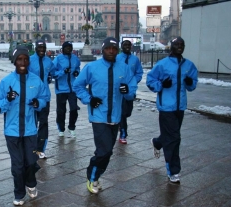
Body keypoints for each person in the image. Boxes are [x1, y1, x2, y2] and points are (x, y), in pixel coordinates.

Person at [73, 37, 137, 194]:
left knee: (107, 151)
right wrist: (89, 99)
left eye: (114, 49)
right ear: (103, 50)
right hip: (98, 116)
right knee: (104, 150)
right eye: (108, 48)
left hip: (115, 116)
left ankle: (96, 174)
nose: (111, 51)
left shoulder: (124, 68)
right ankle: (92, 177)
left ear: (117, 51)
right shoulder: (92, 67)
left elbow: (132, 89)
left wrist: (127, 91)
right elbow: (78, 85)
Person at [0, 47, 49, 206]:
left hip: (30, 130)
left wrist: (39, 103)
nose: (22, 62)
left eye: (25, 59)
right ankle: (19, 192)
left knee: (31, 161)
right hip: (12, 132)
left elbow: (45, 98)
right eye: (19, 59)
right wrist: (7, 100)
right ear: (14, 61)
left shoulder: (36, 81)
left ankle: (31, 182)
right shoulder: (6, 81)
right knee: (17, 165)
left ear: (28, 61)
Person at [147, 36, 198, 183]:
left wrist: (190, 83)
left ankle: (157, 142)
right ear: (171, 46)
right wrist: (162, 84)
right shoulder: (162, 64)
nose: (179, 47)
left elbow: (193, 83)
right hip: (166, 107)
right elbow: (151, 80)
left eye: (182, 44)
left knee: (171, 135)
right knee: (174, 138)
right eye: (176, 44)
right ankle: (173, 170)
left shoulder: (189, 65)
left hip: (180, 107)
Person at [28, 40, 55, 159]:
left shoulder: (49, 61)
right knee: (32, 123)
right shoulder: (29, 60)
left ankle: (40, 149)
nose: (42, 49)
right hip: (32, 96)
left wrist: (52, 76)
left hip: (45, 96)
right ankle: (31, 148)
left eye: (43, 47)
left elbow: (55, 73)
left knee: (43, 123)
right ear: (36, 48)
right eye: (39, 47)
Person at [117, 40, 143, 144]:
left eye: (129, 45)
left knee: (127, 112)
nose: (127, 47)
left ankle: (120, 123)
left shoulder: (135, 59)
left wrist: (134, 81)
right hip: (119, 89)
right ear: (121, 46)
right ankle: (123, 133)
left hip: (130, 89)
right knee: (122, 112)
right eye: (125, 45)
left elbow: (139, 72)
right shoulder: (117, 58)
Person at [52, 41, 81, 138]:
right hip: (61, 89)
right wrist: (63, 72)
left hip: (72, 88)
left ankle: (71, 127)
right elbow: (53, 73)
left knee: (74, 109)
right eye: (66, 47)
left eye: (70, 47)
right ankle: (61, 128)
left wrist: (76, 72)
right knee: (61, 111)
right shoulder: (58, 59)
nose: (68, 49)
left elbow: (77, 68)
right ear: (63, 49)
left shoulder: (75, 58)